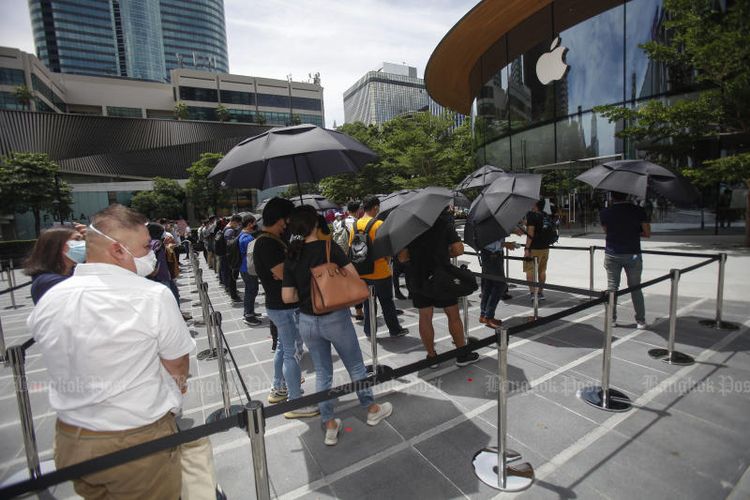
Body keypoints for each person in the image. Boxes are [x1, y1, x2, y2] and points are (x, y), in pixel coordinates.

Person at [27, 204, 195, 499]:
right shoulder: (151, 296)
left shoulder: (51, 297)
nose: (150, 252)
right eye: (144, 246)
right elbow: (178, 364)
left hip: (70, 440)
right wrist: (174, 393)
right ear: (118, 250)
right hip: (136, 441)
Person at [282, 207, 393, 445]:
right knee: (355, 365)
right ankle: (371, 409)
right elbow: (352, 274)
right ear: (315, 224)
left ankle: (329, 423)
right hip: (335, 317)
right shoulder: (329, 247)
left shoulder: (291, 254)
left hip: (306, 321)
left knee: (323, 373)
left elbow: (287, 297)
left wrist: (307, 292)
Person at [253, 198, 317, 418]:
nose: (287, 224)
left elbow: (282, 272)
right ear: (279, 218)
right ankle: (295, 401)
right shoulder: (267, 243)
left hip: (279, 305)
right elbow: (283, 274)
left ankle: (279, 388)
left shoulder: (271, 239)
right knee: (292, 353)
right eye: (286, 220)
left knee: (283, 347)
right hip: (284, 306)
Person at [399, 208, 479, 368]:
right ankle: (462, 354)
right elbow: (458, 249)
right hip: (442, 276)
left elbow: (402, 257)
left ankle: (432, 356)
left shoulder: (408, 227)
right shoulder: (443, 224)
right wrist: (443, 253)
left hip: (418, 277)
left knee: (425, 316)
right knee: (453, 315)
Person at [350, 196, 408, 338]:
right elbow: (387, 249)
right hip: (380, 272)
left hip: (362, 272)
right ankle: (394, 329)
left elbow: (352, 247)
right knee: (386, 301)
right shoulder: (379, 224)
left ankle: (369, 331)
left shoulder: (355, 225)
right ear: (375, 207)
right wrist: (388, 260)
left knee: (368, 303)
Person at [600, 191, 651, 328]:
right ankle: (640, 320)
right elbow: (647, 233)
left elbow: (606, 231)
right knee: (635, 287)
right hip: (632, 253)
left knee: (612, 288)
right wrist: (633, 231)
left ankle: (612, 319)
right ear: (628, 195)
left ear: (612, 196)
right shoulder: (638, 211)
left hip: (612, 253)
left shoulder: (605, 212)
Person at [24, 226, 86, 304]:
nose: (84, 243)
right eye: (77, 239)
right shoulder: (49, 282)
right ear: (58, 246)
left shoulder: (69, 272)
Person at [479, 238, 515, 328]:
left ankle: (484, 315)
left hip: (492, 255)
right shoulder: (487, 225)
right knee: (500, 285)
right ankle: (488, 316)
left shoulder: (488, 225)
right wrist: (505, 244)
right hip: (492, 255)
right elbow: (488, 243)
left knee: (488, 285)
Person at [523, 199, 551, 300]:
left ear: (535, 204)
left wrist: (527, 248)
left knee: (530, 270)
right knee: (542, 271)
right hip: (545, 247)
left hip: (534, 248)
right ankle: (540, 293)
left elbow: (530, 233)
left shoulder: (531, 214)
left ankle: (532, 293)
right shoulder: (545, 215)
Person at [238, 214, 261, 325]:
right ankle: (248, 315)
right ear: (249, 224)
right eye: (254, 223)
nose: (255, 225)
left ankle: (249, 311)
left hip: (245, 268)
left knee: (251, 290)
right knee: (251, 291)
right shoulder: (247, 238)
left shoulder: (243, 235)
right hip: (248, 268)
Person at [344, 201, 365, 321]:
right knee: (358, 283)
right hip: (354, 255)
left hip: (343, 255)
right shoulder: (356, 223)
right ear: (357, 210)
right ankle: (359, 311)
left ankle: (349, 308)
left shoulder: (341, 222)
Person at [223, 214, 243, 301]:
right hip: (230, 256)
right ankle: (234, 295)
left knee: (231, 276)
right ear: (234, 221)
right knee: (232, 276)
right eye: (237, 224)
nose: (238, 225)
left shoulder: (227, 228)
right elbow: (229, 243)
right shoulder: (230, 230)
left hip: (227, 255)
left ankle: (232, 292)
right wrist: (238, 236)